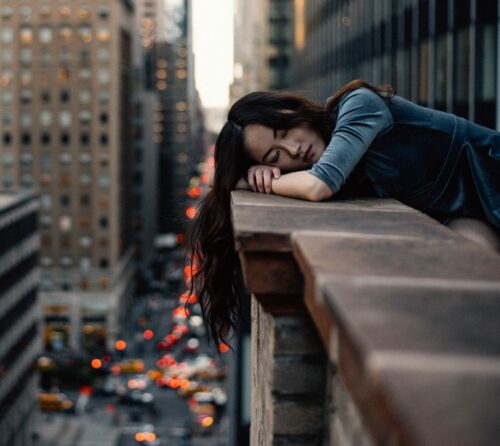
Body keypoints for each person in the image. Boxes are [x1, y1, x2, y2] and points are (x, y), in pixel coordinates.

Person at [188, 79, 500, 348]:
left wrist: (260, 181)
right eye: (275, 156)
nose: (294, 150)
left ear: (292, 109)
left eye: (284, 131)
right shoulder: (343, 167)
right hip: (468, 213)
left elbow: (319, 185)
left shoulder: (359, 104)